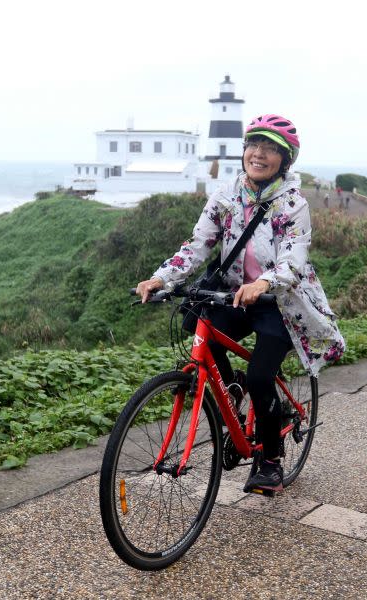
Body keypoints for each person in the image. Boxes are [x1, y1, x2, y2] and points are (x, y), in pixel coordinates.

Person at [136, 114, 345, 493]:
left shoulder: (292, 203)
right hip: (232, 292)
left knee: (263, 377)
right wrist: (162, 277)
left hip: (279, 300)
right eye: (253, 145)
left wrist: (264, 281)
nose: (259, 154)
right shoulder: (226, 196)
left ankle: (270, 460)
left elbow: (292, 260)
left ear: (286, 159)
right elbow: (198, 244)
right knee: (196, 328)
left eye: (270, 149)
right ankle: (232, 387)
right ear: (244, 151)